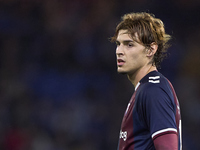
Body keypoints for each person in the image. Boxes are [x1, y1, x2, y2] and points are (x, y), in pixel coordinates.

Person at [111, 12, 182, 150]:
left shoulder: (152, 90)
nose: (119, 51)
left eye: (129, 44)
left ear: (150, 50)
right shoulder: (145, 89)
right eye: (118, 44)